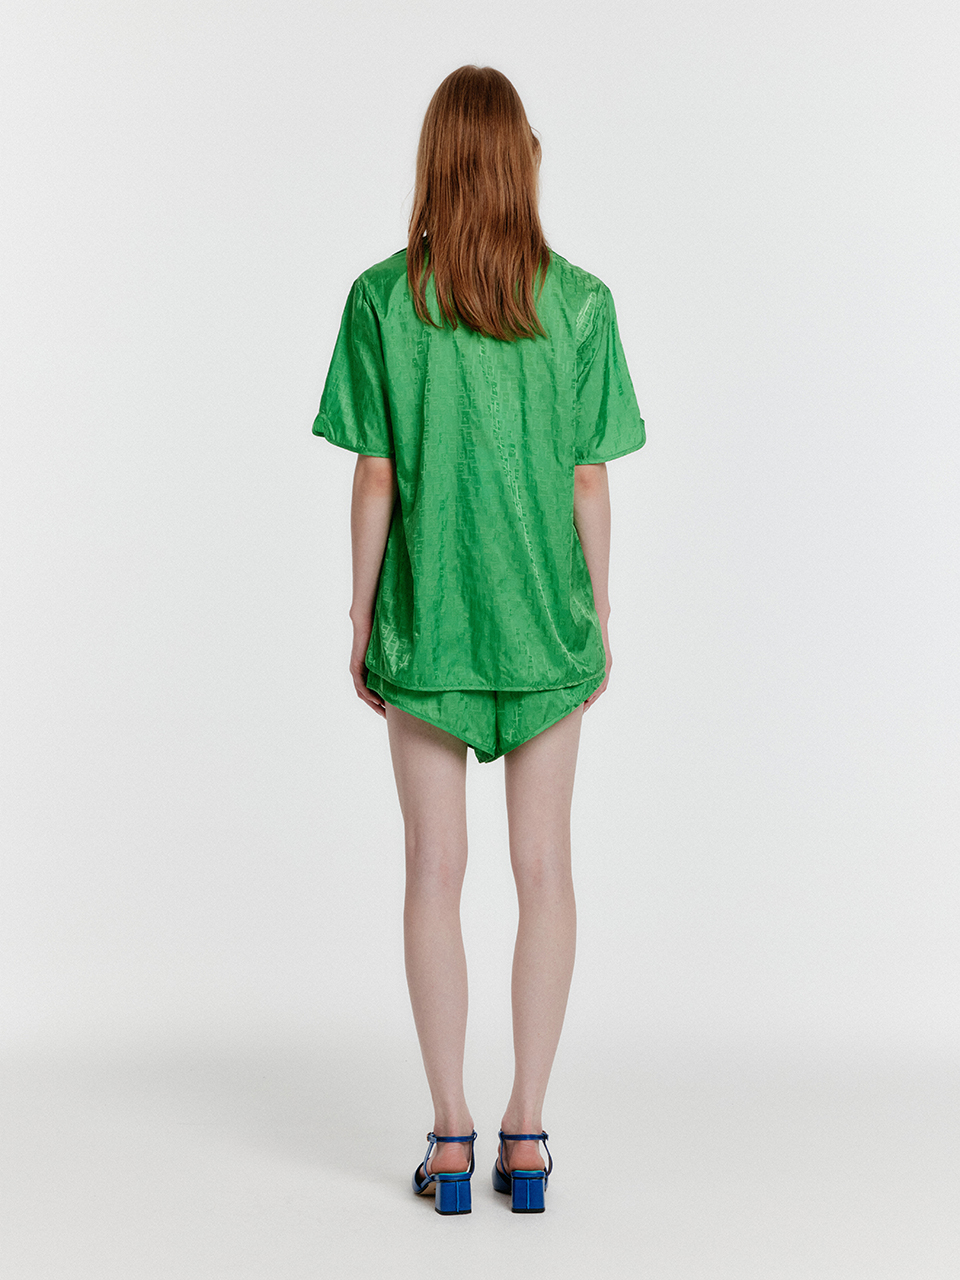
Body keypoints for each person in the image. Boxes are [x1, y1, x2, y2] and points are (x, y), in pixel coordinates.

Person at [312, 65, 645, 1215]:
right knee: (545, 868)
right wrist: (599, 612)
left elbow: (374, 475)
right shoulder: (582, 303)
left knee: (432, 869)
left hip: (429, 622)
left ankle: (450, 1133)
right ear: (522, 162)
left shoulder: (381, 299)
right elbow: (590, 477)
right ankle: (528, 1130)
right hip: (545, 622)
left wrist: (363, 612)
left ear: (434, 162)